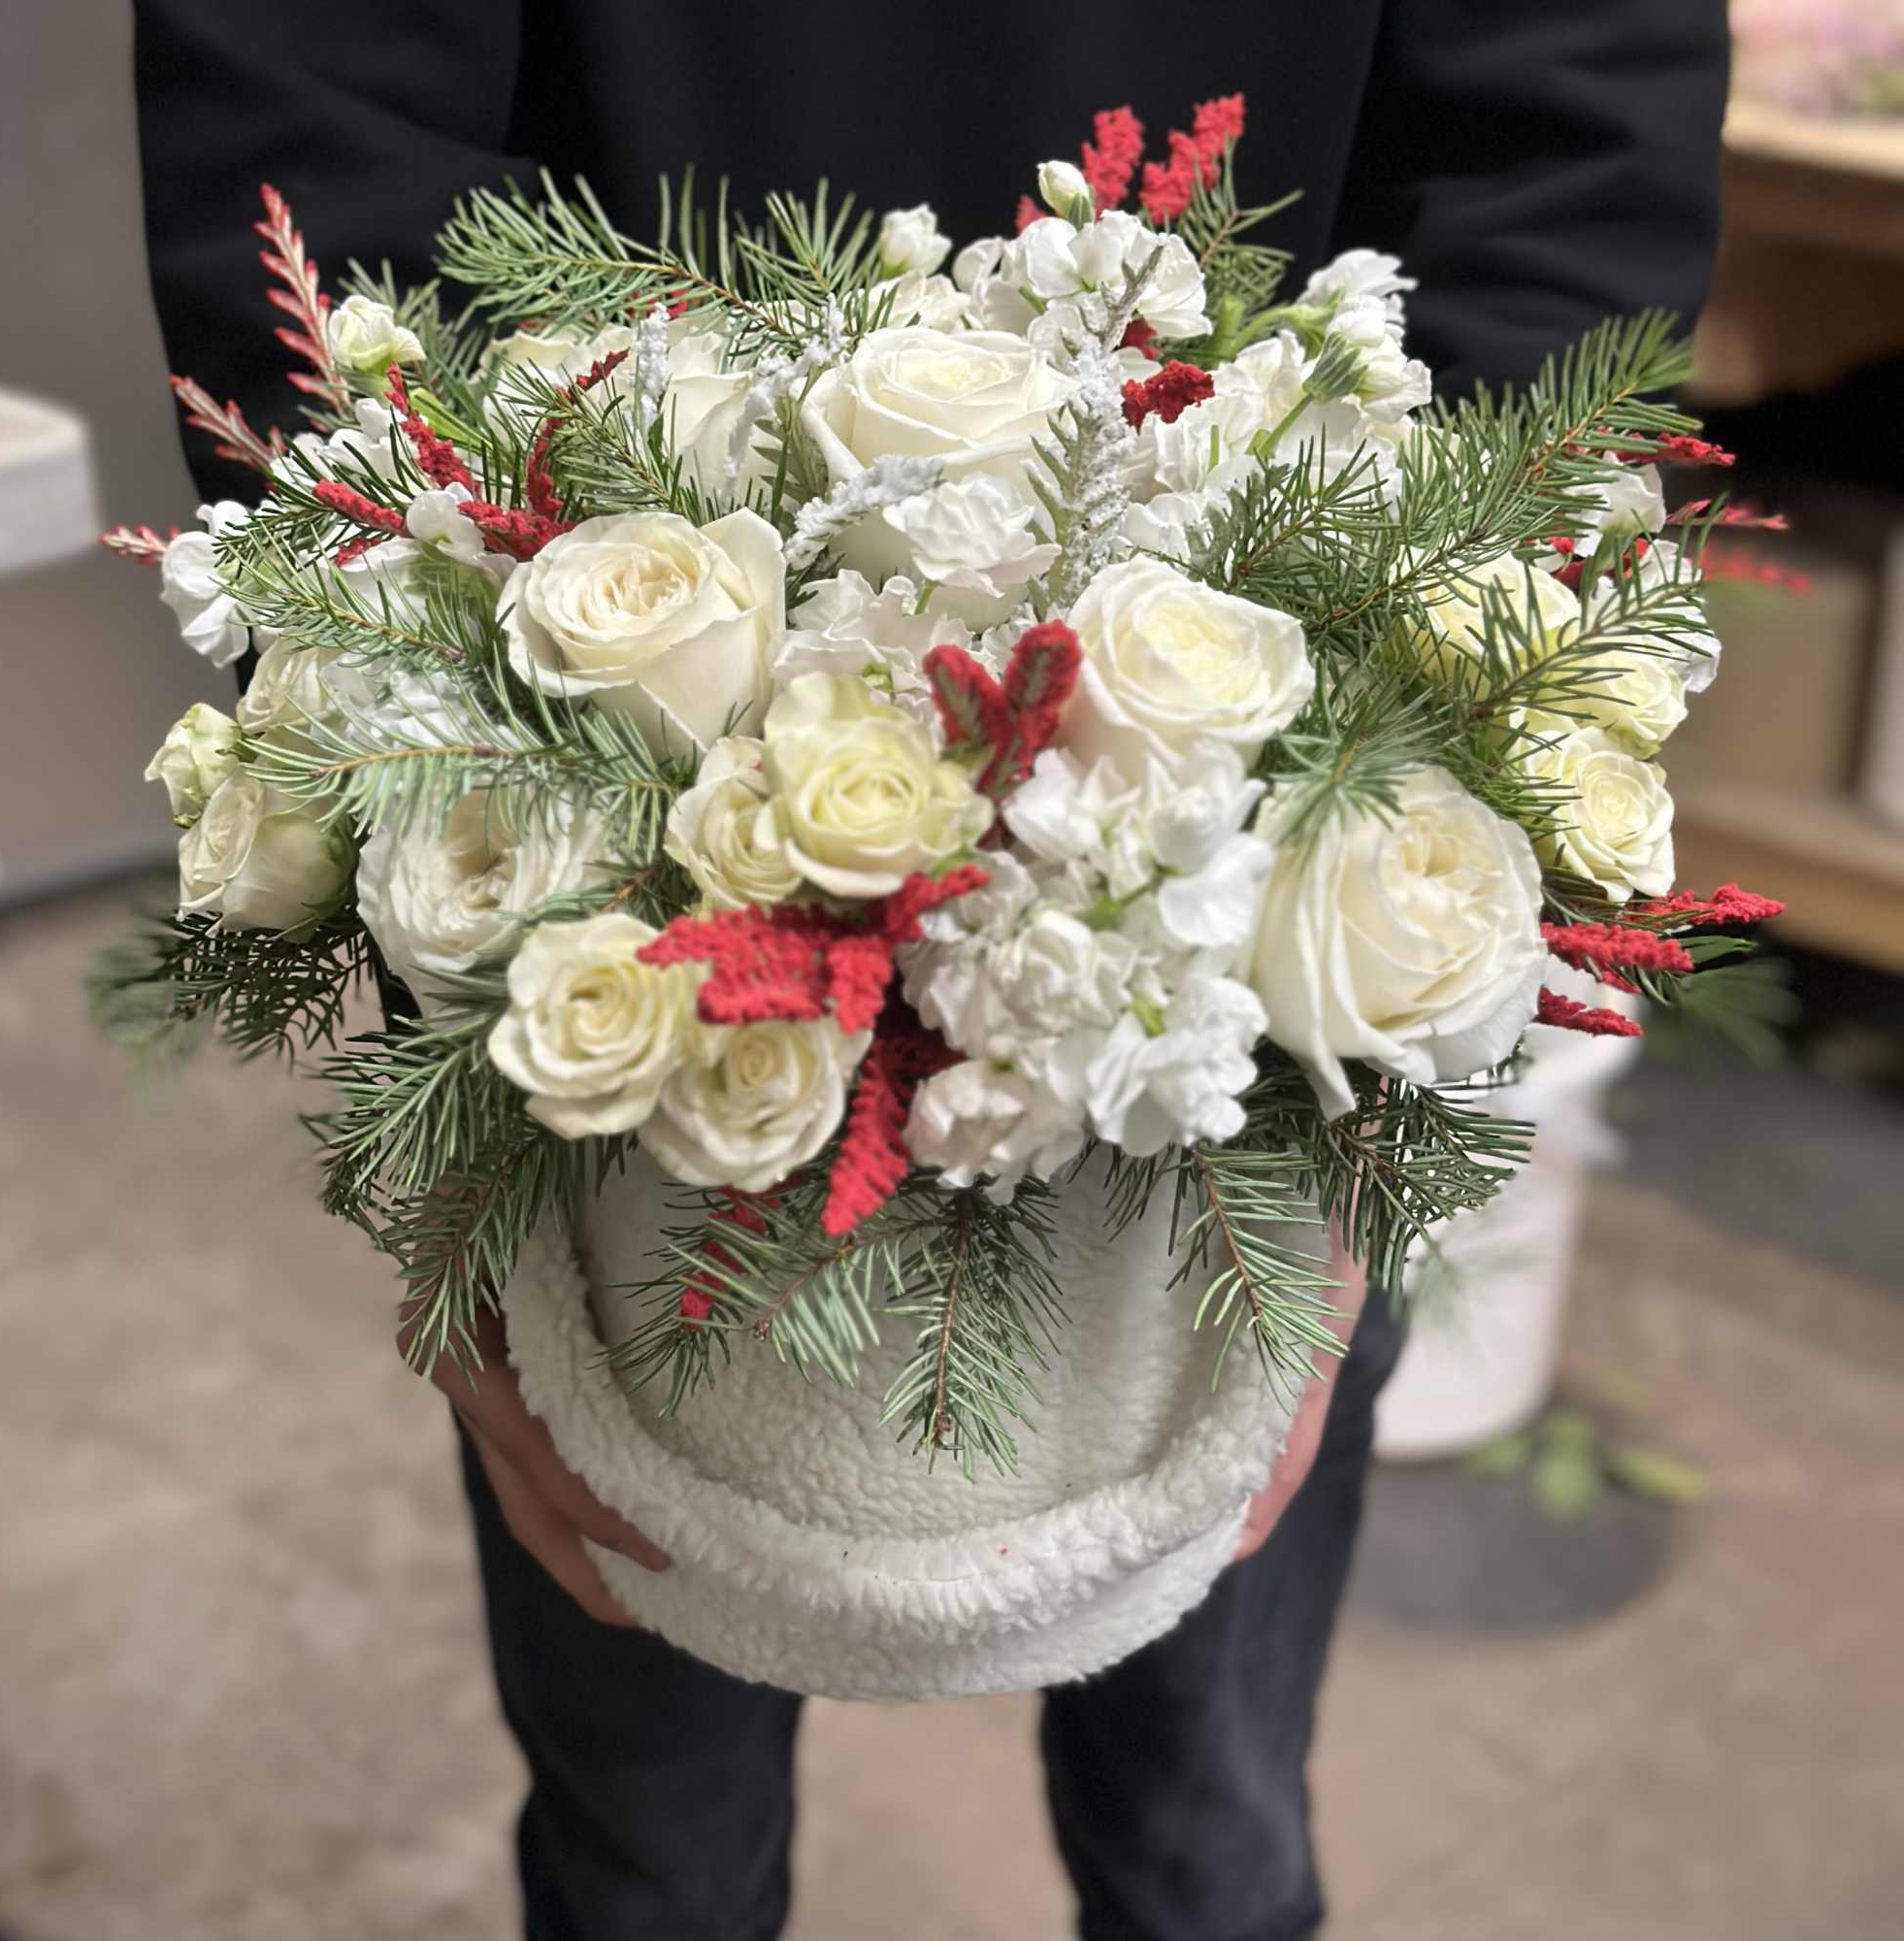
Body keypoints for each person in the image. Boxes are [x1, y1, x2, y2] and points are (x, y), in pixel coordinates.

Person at [130, 7, 1729, 1936]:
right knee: (651, 1810)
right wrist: (430, 840)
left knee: (1204, 1825)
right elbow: (316, 147)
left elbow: (1565, 145)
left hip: (1260, 840)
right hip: (617, 852)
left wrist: (1417, 806)